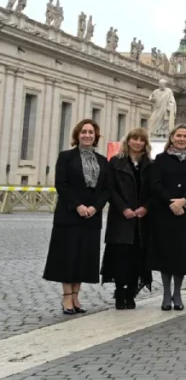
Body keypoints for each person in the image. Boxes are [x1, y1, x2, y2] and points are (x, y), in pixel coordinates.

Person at [44, 118, 111, 315]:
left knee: (83, 257)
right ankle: (66, 298)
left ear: (95, 136)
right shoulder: (65, 157)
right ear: (77, 135)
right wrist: (78, 206)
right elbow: (61, 184)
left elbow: (106, 189)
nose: (87, 135)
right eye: (84, 132)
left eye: (91, 132)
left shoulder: (102, 161)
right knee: (68, 256)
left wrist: (95, 207)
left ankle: (76, 295)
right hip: (69, 215)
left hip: (91, 217)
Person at [148, 124, 186, 311]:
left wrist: (184, 201)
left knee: (182, 254)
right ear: (171, 138)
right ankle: (166, 293)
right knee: (166, 253)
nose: (181, 139)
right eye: (178, 136)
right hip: (165, 213)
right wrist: (171, 202)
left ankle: (177, 292)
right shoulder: (160, 159)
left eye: (185, 136)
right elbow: (155, 184)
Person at [101, 128, 151, 310]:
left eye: (141, 140)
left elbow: (153, 191)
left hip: (141, 220)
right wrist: (124, 208)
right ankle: (120, 293)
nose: (138, 142)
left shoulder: (149, 165)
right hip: (121, 219)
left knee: (137, 258)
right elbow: (110, 188)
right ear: (128, 141)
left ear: (145, 144)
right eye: (134, 139)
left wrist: (146, 208)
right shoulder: (116, 162)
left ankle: (131, 292)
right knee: (120, 258)